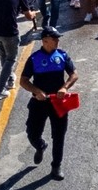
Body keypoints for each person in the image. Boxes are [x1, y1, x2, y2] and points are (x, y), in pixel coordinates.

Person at [20, 26, 78, 181]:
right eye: (55, 39)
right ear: (45, 40)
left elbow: (74, 74)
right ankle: (40, 145)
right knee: (32, 133)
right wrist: (36, 91)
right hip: (39, 102)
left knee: (59, 135)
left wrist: (65, 87)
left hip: (58, 102)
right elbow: (23, 81)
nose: (58, 41)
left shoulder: (62, 56)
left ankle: (56, 166)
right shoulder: (34, 59)